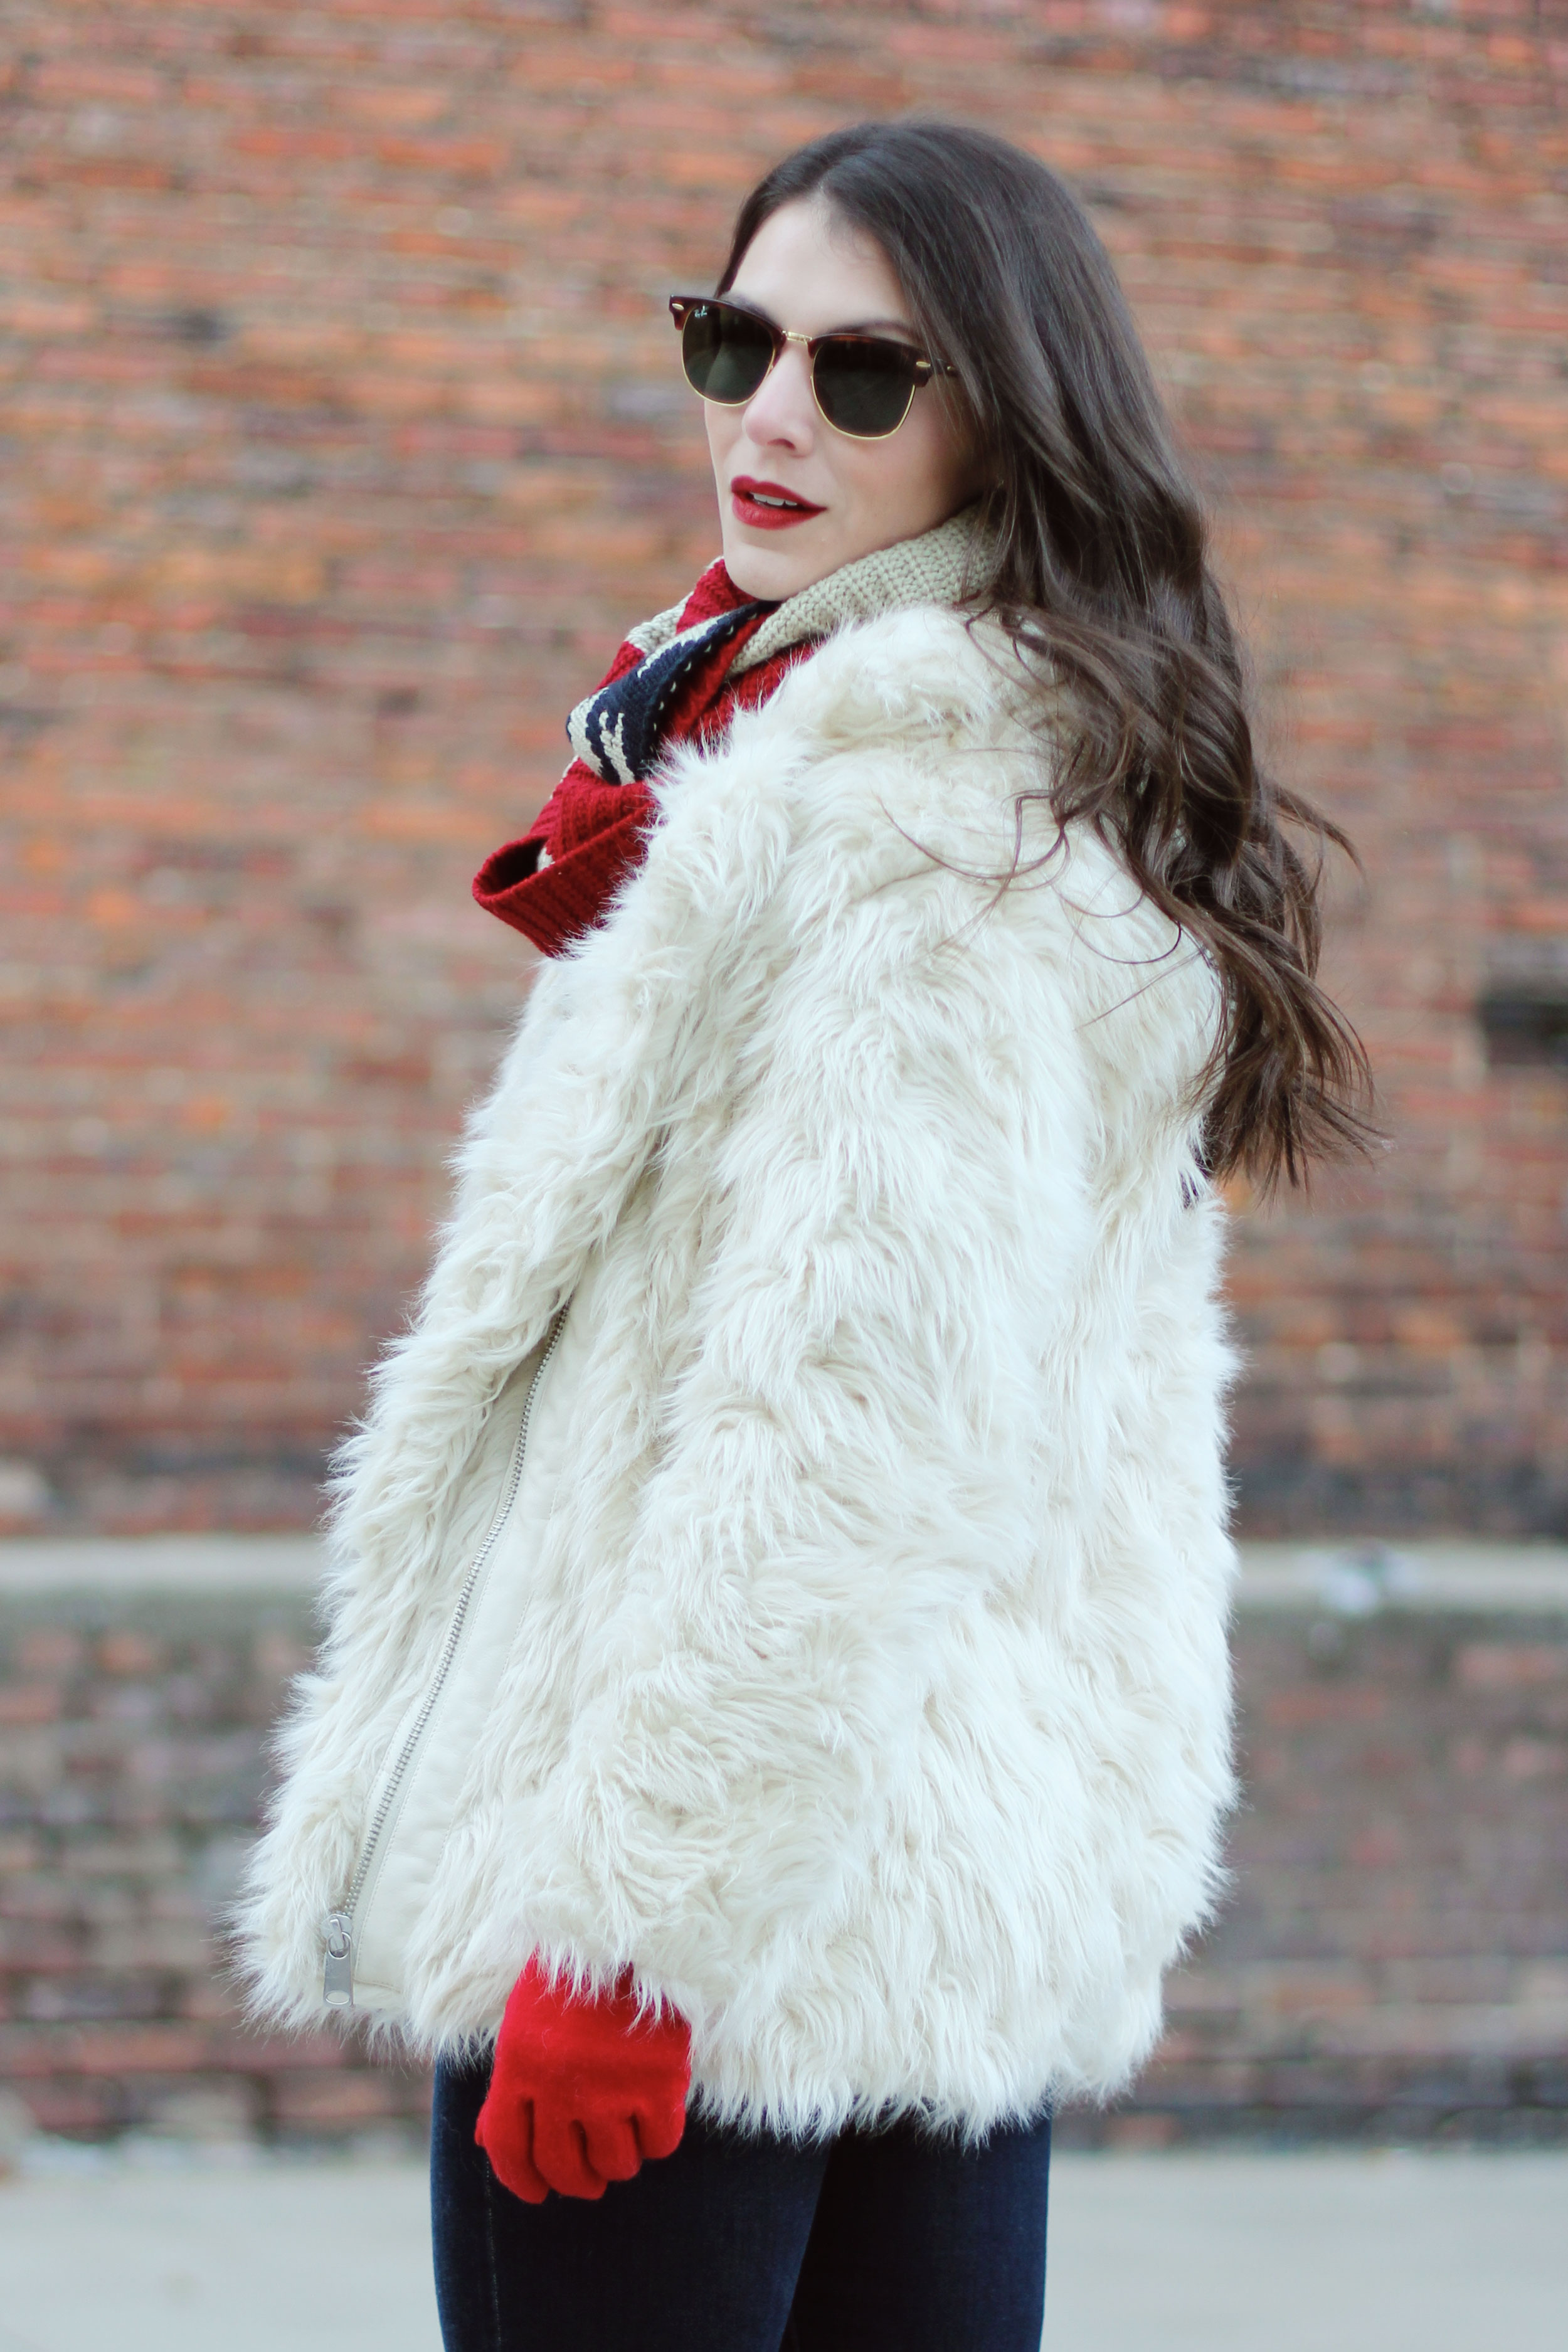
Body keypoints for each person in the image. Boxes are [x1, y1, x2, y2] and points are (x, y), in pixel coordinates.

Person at [240, 120, 1368, 2351]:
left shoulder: (907, 830)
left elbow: (843, 1426)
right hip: (903, 1892)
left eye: (866, 375)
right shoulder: (991, 777)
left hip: (702, 1925)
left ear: (1004, 417)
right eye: (733, 338)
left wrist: (632, 1936)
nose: (767, 414)